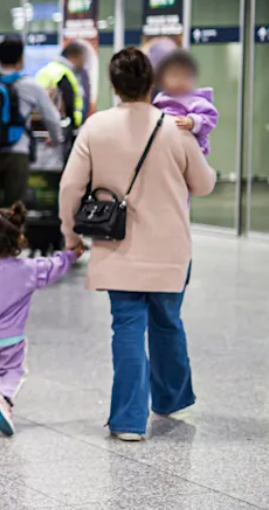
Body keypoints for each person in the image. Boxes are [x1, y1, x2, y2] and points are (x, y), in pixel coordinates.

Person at [59, 48, 216, 442]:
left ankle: (129, 421)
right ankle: (170, 399)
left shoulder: (96, 127)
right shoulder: (174, 127)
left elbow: (70, 188)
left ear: (114, 86)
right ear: (152, 84)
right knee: (167, 323)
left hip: (118, 249)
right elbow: (204, 184)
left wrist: (71, 235)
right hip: (171, 251)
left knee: (127, 328)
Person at [0, 203, 79, 436]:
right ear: (19, 238)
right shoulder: (27, 269)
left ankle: (0, 404)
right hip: (11, 340)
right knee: (14, 372)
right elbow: (53, 266)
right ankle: (2, 400)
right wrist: (71, 255)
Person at [0, 39, 64, 207]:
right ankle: (12, 233)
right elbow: (52, 117)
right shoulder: (29, 85)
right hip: (17, 153)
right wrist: (56, 139)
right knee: (14, 209)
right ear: (21, 59)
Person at [153, 50, 218, 156]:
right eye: (175, 75)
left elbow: (211, 117)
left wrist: (192, 121)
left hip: (191, 151)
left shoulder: (196, 100)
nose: (180, 80)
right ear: (161, 79)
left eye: (186, 76)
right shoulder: (160, 100)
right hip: (166, 149)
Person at [36, 42, 88, 130]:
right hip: (61, 126)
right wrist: (73, 125)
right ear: (75, 56)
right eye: (83, 59)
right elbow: (68, 102)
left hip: (40, 124)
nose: (83, 64)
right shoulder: (63, 73)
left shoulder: (46, 70)